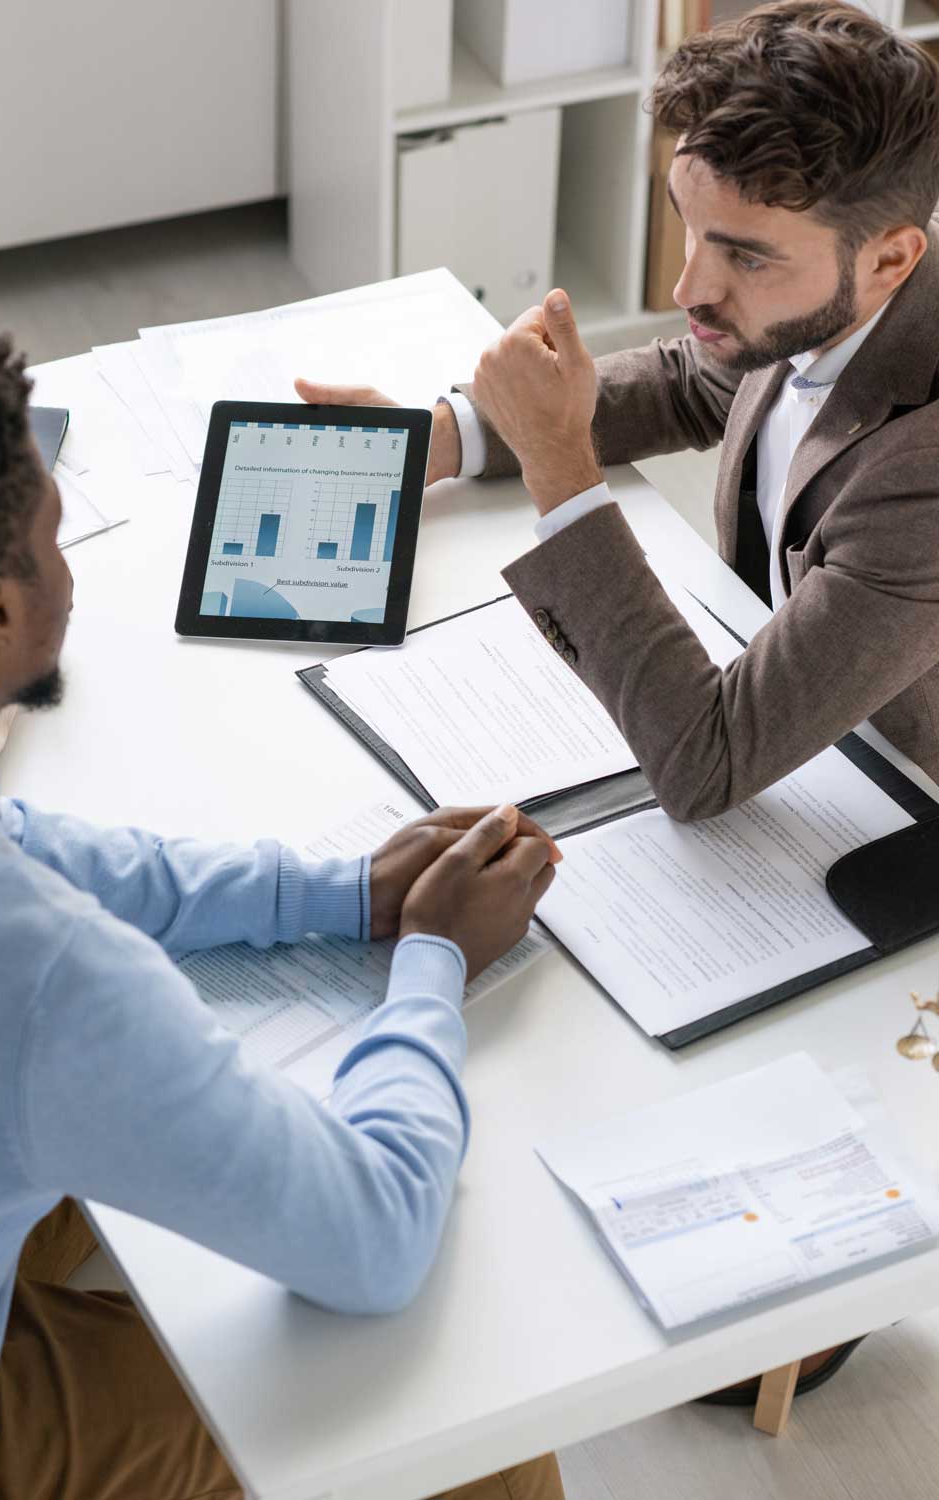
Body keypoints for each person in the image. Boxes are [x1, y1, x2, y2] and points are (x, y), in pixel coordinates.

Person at [295, 0, 939, 1406]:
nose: (691, 285)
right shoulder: (819, 297)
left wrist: (559, 471)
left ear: (893, 255)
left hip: (898, 814)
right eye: (684, 227)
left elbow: (707, 765)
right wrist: (444, 437)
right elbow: (696, 379)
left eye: (742, 254)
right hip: (796, 737)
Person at [0, 318, 563, 1500]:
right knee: (474, 1427)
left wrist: (338, 891)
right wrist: (432, 958)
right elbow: (374, 1233)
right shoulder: (38, 973)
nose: (70, 577)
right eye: (53, 541)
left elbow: (19, 843)